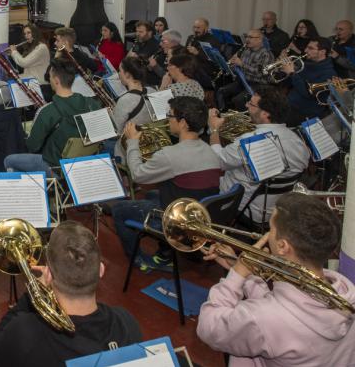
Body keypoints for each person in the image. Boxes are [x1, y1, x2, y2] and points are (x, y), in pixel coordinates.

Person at [197, 192, 355, 367]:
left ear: (282, 246)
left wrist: (237, 274)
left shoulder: (263, 319)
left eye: (271, 229)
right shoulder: (345, 291)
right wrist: (240, 269)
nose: (266, 234)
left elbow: (209, 328)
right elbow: (288, 305)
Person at [0, 222, 142, 367]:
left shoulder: (25, 330)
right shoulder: (127, 322)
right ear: (101, 270)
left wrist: (33, 292)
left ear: (49, 275)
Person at [113, 97, 221, 269]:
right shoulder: (210, 151)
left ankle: (139, 260)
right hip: (198, 216)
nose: (167, 119)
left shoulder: (169, 155)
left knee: (118, 210)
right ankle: (165, 253)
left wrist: (133, 142)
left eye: (169, 115)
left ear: (183, 123)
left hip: (179, 225)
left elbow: (138, 175)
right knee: (151, 194)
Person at [208, 87, 310, 230]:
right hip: (274, 209)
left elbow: (217, 162)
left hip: (243, 208)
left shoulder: (249, 142)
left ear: (265, 114)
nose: (246, 105)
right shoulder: (299, 142)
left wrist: (213, 129)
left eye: (251, 104)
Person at [4, 58, 102, 176]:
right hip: (86, 163)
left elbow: (32, 146)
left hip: (56, 167)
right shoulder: (92, 104)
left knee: (9, 161)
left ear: (56, 81)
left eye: (49, 77)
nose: (49, 80)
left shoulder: (48, 111)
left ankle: (39, 191)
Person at [281, 37, 336, 126]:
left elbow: (308, 93)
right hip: (290, 106)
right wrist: (284, 70)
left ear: (322, 52)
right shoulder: (306, 64)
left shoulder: (329, 73)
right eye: (307, 47)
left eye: (310, 48)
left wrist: (292, 73)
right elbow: (290, 84)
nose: (306, 50)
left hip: (305, 114)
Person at [217, 29, 275, 110]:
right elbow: (239, 68)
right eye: (247, 37)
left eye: (250, 37)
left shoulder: (266, 54)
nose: (247, 39)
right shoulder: (246, 50)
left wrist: (242, 64)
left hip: (258, 85)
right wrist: (231, 66)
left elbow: (260, 73)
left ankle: (243, 120)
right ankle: (224, 114)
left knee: (238, 100)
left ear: (259, 40)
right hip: (243, 81)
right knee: (221, 91)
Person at [109, 57, 154, 159]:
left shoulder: (125, 100)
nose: (118, 74)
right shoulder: (152, 91)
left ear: (128, 74)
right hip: (149, 145)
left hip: (128, 149)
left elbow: (116, 132)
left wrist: (111, 114)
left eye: (120, 71)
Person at [184, 17, 220, 91]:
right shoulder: (191, 37)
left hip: (205, 70)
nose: (195, 30)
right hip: (191, 67)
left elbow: (213, 60)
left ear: (206, 28)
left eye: (198, 28)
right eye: (194, 27)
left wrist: (197, 53)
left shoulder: (213, 40)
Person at [127, 21, 160, 86]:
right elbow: (130, 57)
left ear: (150, 33)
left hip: (148, 82)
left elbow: (141, 62)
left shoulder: (154, 45)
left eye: (141, 32)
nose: (137, 34)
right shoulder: (139, 41)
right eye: (137, 31)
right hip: (137, 77)